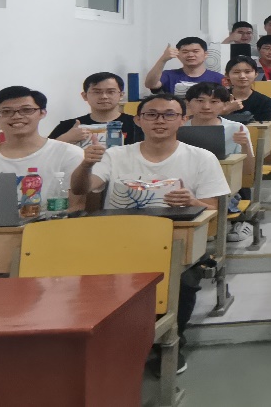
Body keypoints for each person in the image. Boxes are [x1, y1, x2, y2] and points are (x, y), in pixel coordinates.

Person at [70, 93, 232, 354]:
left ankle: (169, 345)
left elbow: (212, 208)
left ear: (183, 120)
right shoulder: (116, 155)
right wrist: (86, 165)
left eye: (169, 115)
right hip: (117, 241)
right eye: (151, 114)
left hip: (176, 242)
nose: (160, 121)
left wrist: (192, 201)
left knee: (181, 280)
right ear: (138, 120)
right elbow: (82, 189)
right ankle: (105, 344)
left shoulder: (202, 157)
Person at [0, 86, 96, 212]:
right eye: (6, 111)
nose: (17, 116)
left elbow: (76, 205)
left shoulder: (70, 154)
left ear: (42, 113)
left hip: (53, 224)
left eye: (27, 110)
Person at [184, 82, 257, 242]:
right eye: (200, 101)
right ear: (188, 103)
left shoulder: (236, 128)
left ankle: (219, 225)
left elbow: (248, 172)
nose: (206, 106)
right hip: (187, 186)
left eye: (214, 101)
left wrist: (245, 146)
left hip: (224, 188)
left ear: (225, 104)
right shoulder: (178, 128)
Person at [49, 72, 142, 146]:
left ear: (121, 95)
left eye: (110, 92)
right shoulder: (68, 126)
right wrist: (66, 138)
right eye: (97, 92)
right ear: (84, 96)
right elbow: (44, 154)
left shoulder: (138, 124)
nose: (104, 96)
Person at [144, 37, 225, 96]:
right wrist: (163, 59)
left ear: (205, 54)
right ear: (178, 55)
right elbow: (150, 85)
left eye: (195, 51)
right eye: (185, 52)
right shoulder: (168, 75)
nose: (190, 55)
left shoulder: (219, 78)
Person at [221, 56, 271, 123]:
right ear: (227, 75)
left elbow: (265, 127)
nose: (242, 76)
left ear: (256, 74)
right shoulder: (218, 98)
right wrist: (226, 110)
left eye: (247, 72)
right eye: (236, 72)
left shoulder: (264, 101)